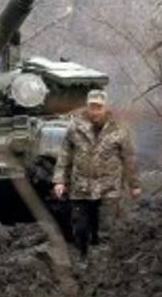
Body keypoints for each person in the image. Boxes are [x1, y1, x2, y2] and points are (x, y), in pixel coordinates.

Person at [53, 88, 140, 262]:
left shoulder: (119, 128)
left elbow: (128, 158)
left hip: (108, 187)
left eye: (99, 107)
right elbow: (65, 155)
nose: (95, 111)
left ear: (105, 107)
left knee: (105, 229)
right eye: (92, 107)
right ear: (87, 107)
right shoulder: (75, 127)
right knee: (80, 227)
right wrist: (59, 181)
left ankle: (105, 266)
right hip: (81, 186)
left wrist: (134, 185)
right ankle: (83, 258)